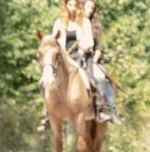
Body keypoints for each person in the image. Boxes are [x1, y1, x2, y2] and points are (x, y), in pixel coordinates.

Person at [39, 0, 94, 132]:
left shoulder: (85, 22)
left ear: (78, 7)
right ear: (66, 7)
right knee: (44, 82)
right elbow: (53, 43)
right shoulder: (59, 23)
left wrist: (83, 49)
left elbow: (90, 41)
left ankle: (96, 107)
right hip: (62, 59)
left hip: (79, 56)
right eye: (70, 5)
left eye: (75, 5)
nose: (73, 8)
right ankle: (47, 112)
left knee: (92, 79)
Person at [83, 0, 123, 124]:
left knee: (102, 78)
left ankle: (108, 109)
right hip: (77, 58)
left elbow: (99, 47)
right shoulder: (75, 23)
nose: (89, 9)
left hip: (92, 58)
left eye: (92, 7)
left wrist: (95, 60)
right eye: (87, 6)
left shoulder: (96, 26)